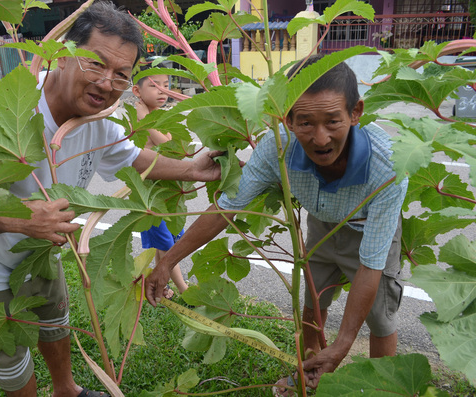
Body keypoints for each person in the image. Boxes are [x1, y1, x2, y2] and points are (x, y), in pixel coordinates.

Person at [0, 2, 222, 396]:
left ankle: (67, 390)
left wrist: (194, 168)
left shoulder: (101, 122)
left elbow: (134, 159)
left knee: (55, 326)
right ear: (62, 57)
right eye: (95, 64)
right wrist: (21, 221)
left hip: (42, 254)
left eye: (121, 75)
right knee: (8, 360)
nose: (107, 83)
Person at [145, 55, 408, 394]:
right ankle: (309, 377)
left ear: (355, 112)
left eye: (332, 121)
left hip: (371, 227)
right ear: (286, 117)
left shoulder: (387, 167)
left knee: (380, 319)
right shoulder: (277, 147)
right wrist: (168, 260)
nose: (320, 138)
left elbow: (371, 265)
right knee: (314, 305)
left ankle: (385, 389)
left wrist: (343, 344)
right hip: (322, 224)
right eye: (304, 123)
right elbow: (225, 208)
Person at [132, 68, 188, 296]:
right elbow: (159, 144)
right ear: (137, 90)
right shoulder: (135, 116)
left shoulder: (163, 116)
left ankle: (160, 283)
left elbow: (169, 145)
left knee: (168, 240)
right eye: (154, 85)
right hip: (148, 194)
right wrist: (144, 119)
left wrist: (148, 120)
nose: (162, 90)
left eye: (166, 84)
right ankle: (184, 289)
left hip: (167, 190)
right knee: (166, 244)